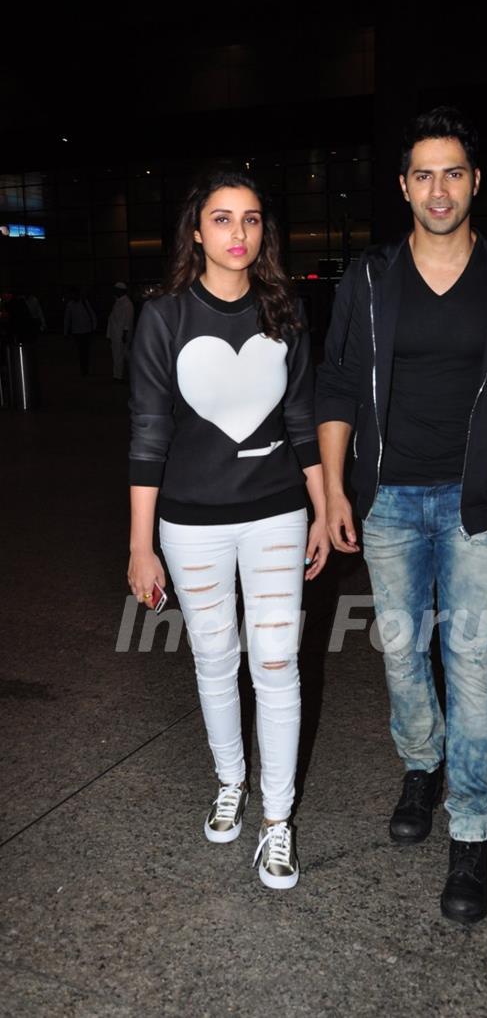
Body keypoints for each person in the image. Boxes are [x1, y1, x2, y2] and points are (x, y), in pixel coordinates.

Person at [315, 107, 487, 924]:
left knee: (471, 666)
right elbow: (338, 387)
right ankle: (419, 762)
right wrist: (331, 493)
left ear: (475, 182)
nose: (438, 188)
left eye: (452, 172)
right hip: (387, 500)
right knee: (400, 656)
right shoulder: (366, 279)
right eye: (423, 173)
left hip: (477, 505)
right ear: (403, 186)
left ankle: (469, 827)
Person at [127, 166, 329, 889]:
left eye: (250, 219)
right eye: (222, 218)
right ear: (196, 229)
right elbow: (149, 435)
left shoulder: (286, 310)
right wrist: (139, 544)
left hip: (277, 509)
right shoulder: (164, 317)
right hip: (190, 524)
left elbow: (301, 418)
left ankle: (278, 822)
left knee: (276, 662)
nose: (238, 233)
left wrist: (324, 503)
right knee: (215, 660)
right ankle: (230, 783)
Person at [63, 288, 97, 375]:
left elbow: (92, 314)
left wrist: (94, 327)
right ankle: (84, 369)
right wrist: (65, 332)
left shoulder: (85, 303)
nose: (74, 296)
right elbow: (67, 319)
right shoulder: (70, 305)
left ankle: (85, 369)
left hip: (86, 331)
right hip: (77, 332)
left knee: (85, 351)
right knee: (81, 351)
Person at [106, 281, 135, 380]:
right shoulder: (118, 302)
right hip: (116, 334)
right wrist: (109, 335)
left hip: (120, 335)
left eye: (116, 290)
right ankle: (123, 374)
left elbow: (128, 320)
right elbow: (112, 320)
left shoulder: (127, 303)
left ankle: (118, 376)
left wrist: (124, 334)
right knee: (120, 355)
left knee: (119, 355)